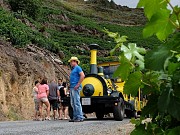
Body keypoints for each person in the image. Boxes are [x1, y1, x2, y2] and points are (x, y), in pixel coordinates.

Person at [68, 57, 85, 122]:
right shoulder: (74, 69)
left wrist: (78, 84)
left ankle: (80, 117)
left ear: (75, 61)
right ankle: (75, 116)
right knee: (73, 102)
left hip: (75, 86)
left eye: (71, 62)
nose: (70, 63)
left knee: (76, 102)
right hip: (73, 86)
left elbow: (82, 75)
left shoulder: (78, 68)